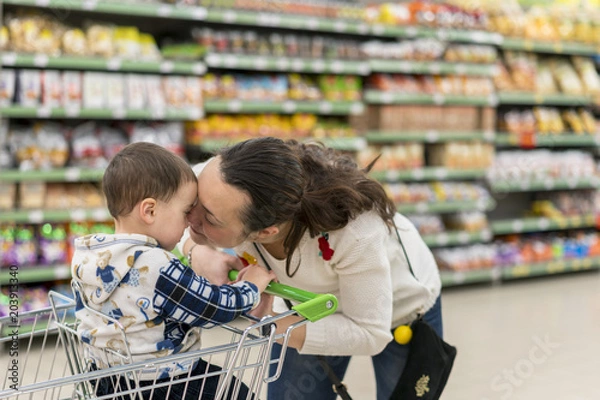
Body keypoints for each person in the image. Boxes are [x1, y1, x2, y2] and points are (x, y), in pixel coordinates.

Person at [179, 137, 444, 400]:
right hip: (307, 307)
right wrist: (196, 251)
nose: (190, 216)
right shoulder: (217, 180)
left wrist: (273, 324)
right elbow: (158, 213)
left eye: (209, 218)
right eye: (193, 203)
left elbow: (370, 332)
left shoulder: (356, 233)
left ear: (264, 232)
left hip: (400, 308)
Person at [71, 141, 275, 400]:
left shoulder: (87, 255)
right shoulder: (157, 265)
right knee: (235, 393)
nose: (190, 221)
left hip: (107, 380)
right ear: (150, 211)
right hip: (163, 382)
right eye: (186, 211)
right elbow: (212, 308)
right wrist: (252, 287)